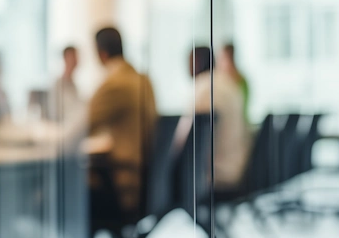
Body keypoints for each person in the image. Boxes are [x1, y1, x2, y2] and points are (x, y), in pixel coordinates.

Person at [87, 26, 158, 216]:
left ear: (101, 54)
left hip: (124, 185)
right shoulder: (144, 80)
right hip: (149, 184)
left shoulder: (115, 84)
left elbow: (81, 127)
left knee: (61, 190)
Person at [175, 45, 251, 191]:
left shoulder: (203, 88)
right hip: (240, 172)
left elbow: (181, 144)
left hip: (214, 177)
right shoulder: (231, 84)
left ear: (196, 63)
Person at [217, 42, 250, 124]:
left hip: (238, 124)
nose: (219, 62)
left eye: (222, 58)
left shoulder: (240, 81)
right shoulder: (219, 80)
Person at [51, 45, 84, 124]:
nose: (76, 60)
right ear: (65, 58)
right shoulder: (57, 85)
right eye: (73, 56)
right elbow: (54, 113)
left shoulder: (74, 86)